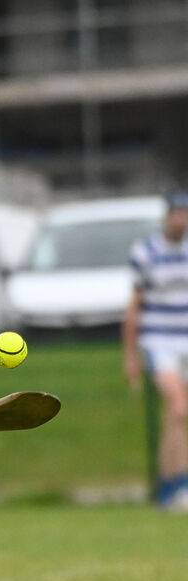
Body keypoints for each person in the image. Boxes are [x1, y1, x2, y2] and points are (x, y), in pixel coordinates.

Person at [123, 190, 188, 510]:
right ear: (167, 217)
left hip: (186, 339)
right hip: (159, 340)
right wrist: (130, 355)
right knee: (178, 407)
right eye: (176, 213)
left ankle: (169, 489)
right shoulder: (146, 252)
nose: (181, 219)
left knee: (176, 417)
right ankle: (180, 486)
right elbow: (133, 308)